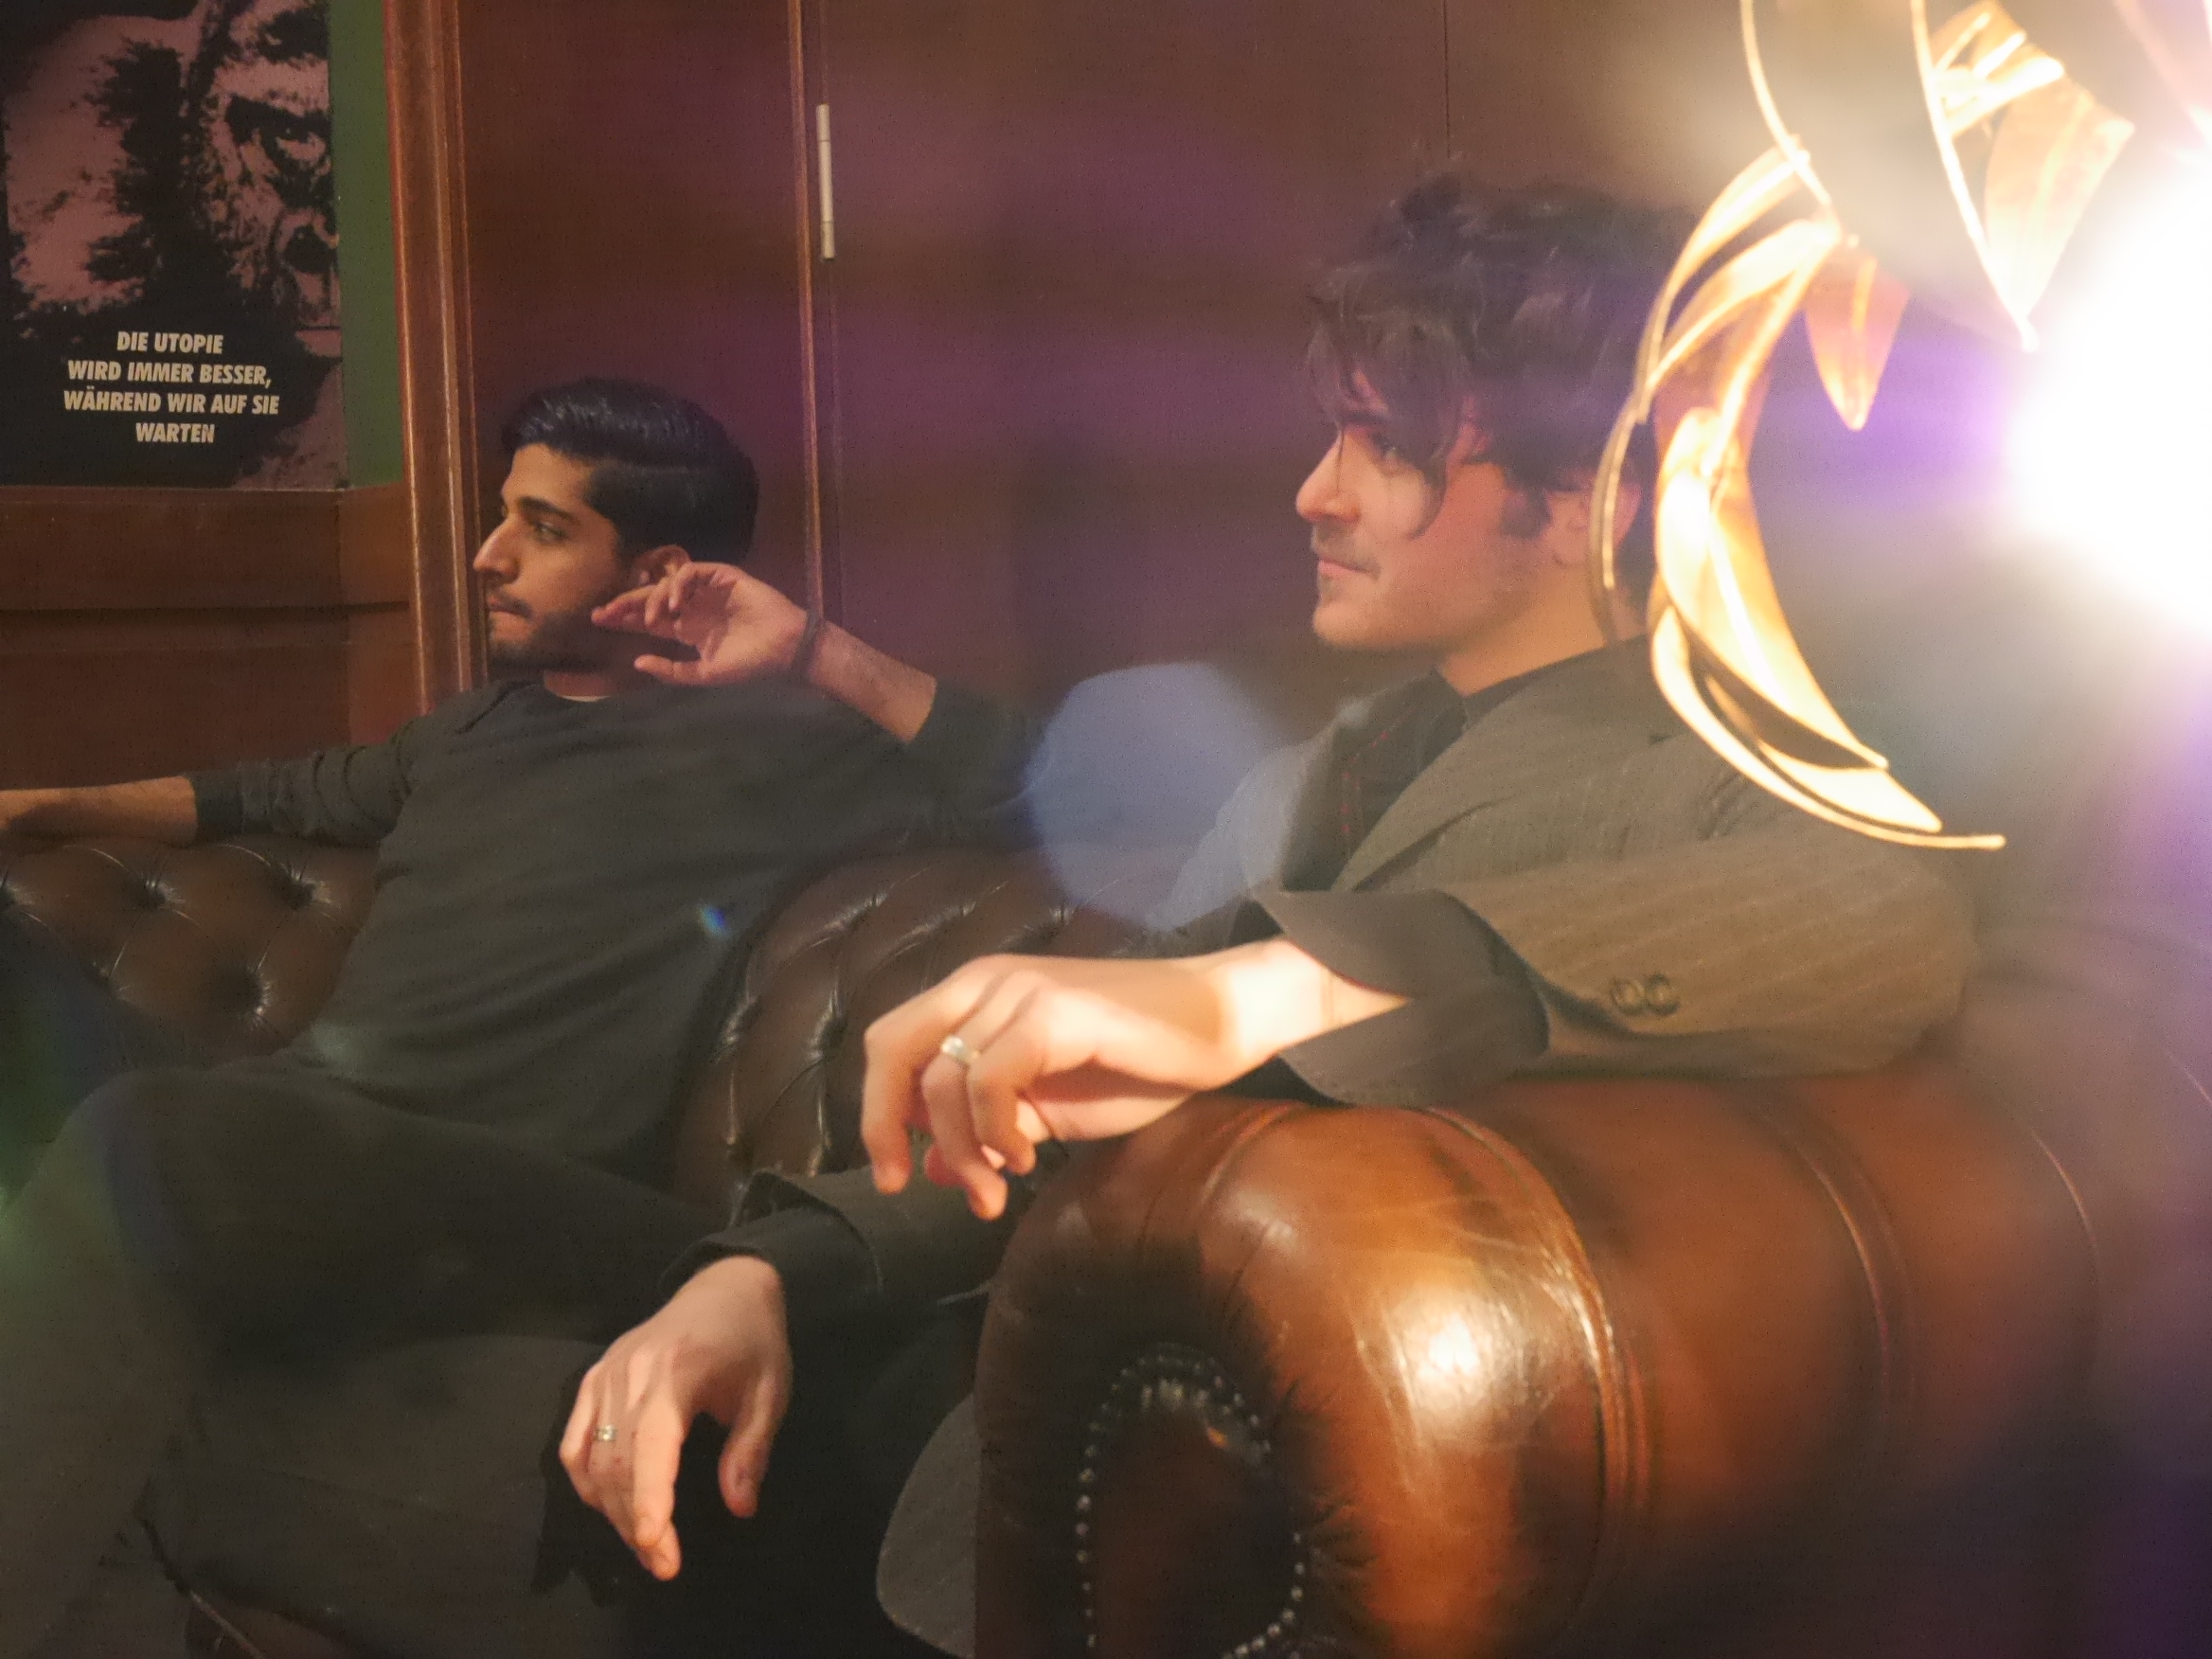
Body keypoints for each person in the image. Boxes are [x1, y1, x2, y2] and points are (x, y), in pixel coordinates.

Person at [575, 178, 1976, 1653]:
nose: (1315, 493)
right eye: (1332, 438)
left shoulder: (1735, 757)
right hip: (982, 1451)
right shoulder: (1331, 765)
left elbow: (1881, 918)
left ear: (1600, 497)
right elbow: (1057, 1113)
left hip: (1216, 1529)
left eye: (1388, 448)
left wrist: (1276, 989)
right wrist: (769, 1273)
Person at [0, 377, 1016, 1658]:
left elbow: (1066, 789)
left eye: (541, 528)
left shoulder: (788, 747)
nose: (487, 554)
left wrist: (819, 652)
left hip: (544, 1205)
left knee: (156, 1141)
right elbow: (266, 791)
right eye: (501, 516)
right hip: (311, 1152)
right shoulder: (474, 729)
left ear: (658, 571)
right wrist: (32, 806)